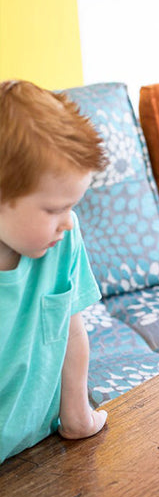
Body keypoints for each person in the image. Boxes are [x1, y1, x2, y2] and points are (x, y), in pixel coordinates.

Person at [0, 79, 108, 463]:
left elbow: (70, 329)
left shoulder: (64, 239)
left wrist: (77, 416)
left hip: (41, 446)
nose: (68, 221)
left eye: (72, 205)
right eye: (53, 209)